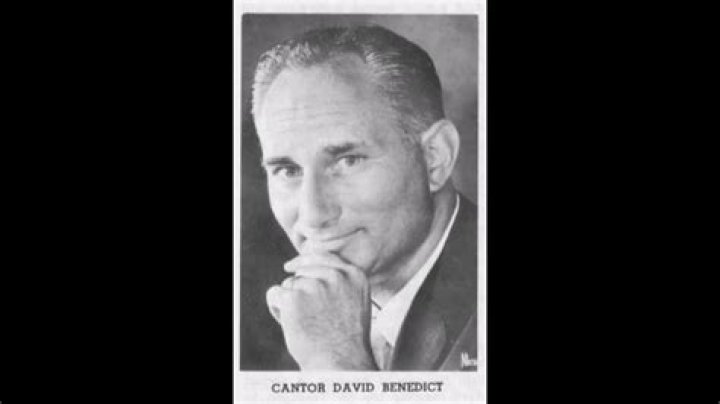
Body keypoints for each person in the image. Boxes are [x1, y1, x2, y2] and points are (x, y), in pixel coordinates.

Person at [248, 24, 477, 371]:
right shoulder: (280, 320)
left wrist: (335, 362)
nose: (313, 215)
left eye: (348, 161)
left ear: (435, 158)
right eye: (287, 170)